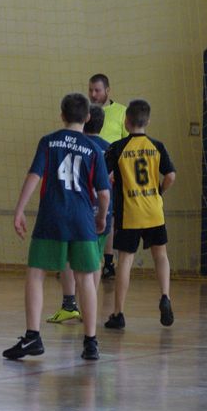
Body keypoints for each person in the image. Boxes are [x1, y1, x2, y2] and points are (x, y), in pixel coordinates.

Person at [2, 92, 110, 361]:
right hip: (82, 219)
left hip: (52, 216)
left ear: (62, 115)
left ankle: (32, 336)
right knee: (86, 278)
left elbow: (34, 175)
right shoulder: (94, 149)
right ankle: (91, 342)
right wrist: (101, 218)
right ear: (88, 117)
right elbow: (104, 193)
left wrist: (19, 209)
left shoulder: (48, 142)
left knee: (36, 273)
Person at [103, 99, 176, 330]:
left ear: (126, 121)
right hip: (154, 210)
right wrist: (159, 191)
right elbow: (170, 175)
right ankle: (165, 296)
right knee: (160, 256)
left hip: (130, 212)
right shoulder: (157, 146)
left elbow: (104, 175)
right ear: (148, 121)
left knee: (125, 260)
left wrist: (112, 180)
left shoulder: (117, 148)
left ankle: (118, 313)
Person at [46, 104, 112, 324]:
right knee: (95, 260)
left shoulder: (73, 145)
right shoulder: (109, 149)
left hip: (77, 211)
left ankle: (69, 305)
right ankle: (87, 307)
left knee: (68, 258)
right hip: (102, 211)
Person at [88, 73, 129, 280]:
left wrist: (117, 171)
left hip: (110, 173)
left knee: (108, 216)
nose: (93, 94)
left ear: (107, 91)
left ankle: (108, 262)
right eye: (91, 90)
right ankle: (77, 258)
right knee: (84, 213)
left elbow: (127, 144)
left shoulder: (121, 112)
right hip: (85, 172)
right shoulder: (85, 111)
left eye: (97, 90)